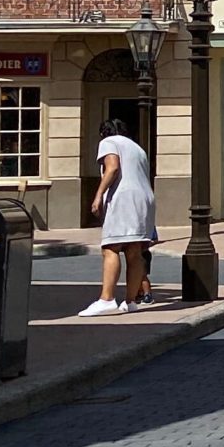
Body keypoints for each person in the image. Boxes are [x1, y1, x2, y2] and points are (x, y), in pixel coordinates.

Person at [85, 114, 158, 315]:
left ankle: (106, 298)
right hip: (145, 199)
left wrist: (98, 195)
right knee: (135, 251)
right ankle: (130, 301)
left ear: (103, 133)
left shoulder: (108, 142)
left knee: (111, 247)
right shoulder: (138, 148)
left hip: (123, 198)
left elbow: (113, 167)